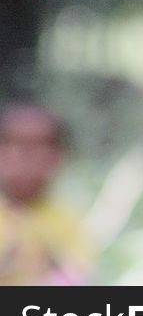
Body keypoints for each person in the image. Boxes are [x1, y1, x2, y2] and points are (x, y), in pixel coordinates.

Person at [0, 103, 93, 284]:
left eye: (37, 146)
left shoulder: (68, 221)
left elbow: (76, 278)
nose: (25, 157)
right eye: (15, 145)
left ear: (58, 157)